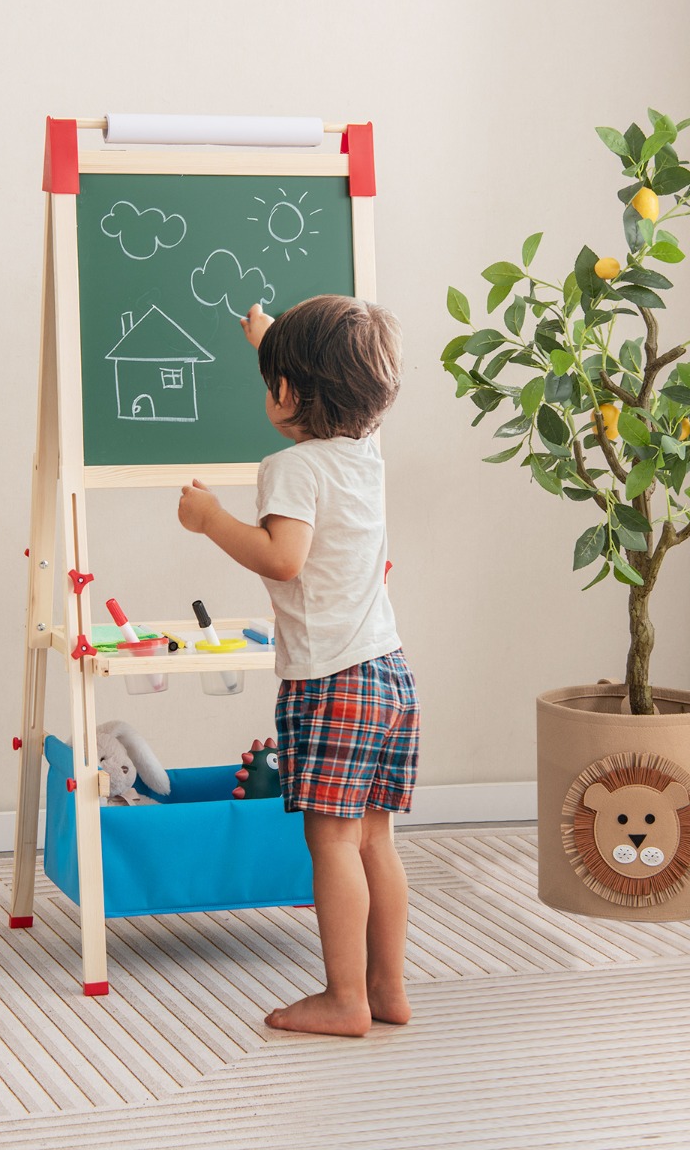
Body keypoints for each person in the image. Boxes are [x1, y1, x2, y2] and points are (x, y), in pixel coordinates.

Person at [177, 294, 419, 1037]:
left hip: (330, 680)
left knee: (332, 844)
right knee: (375, 838)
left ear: (284, 393)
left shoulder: (290, 467)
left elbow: (284, 560)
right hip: (388, 673)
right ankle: (387, 989)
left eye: (270, 380)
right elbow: (322, 389)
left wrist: (212, 521)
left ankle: (344, 998)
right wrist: (270, 340)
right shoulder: (366, 455)